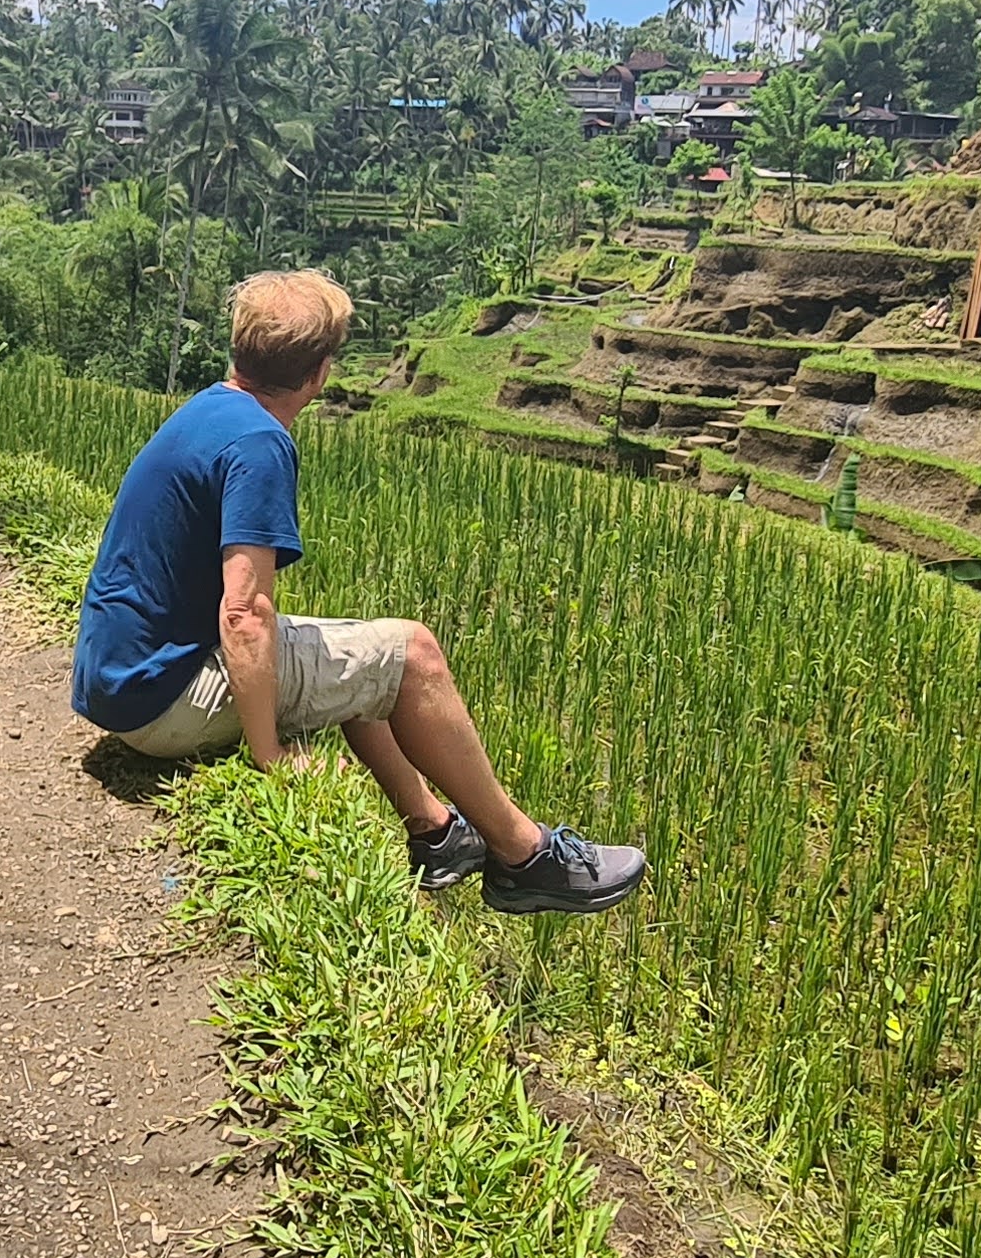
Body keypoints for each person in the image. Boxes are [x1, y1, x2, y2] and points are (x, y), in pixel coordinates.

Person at [69, 268, 646, 918]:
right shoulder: (260, 443)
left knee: (359, 653)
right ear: (319, 373)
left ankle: (435, 830)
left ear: (239, 350)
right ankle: (525, 857)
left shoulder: (211, 407)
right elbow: (245, 613)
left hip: (118, 681)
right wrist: (273, 757)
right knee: (414, 653)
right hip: (162, 702)